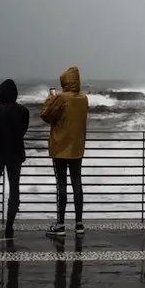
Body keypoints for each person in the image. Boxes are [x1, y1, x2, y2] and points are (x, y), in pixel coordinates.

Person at [40, 66, 88, 236]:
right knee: (77, 184)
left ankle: (60, 224)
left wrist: (50, 98)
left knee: (61, 185)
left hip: (60, 148)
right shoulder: (83, 99)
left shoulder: (60, 98)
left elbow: (46, 115)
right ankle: (79, 223)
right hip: (77, 147)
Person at [0, 79, 29, 239]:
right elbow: (23, 131)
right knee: (14, 189)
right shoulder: (24, 111)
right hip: (15, 153)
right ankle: (9, 226)